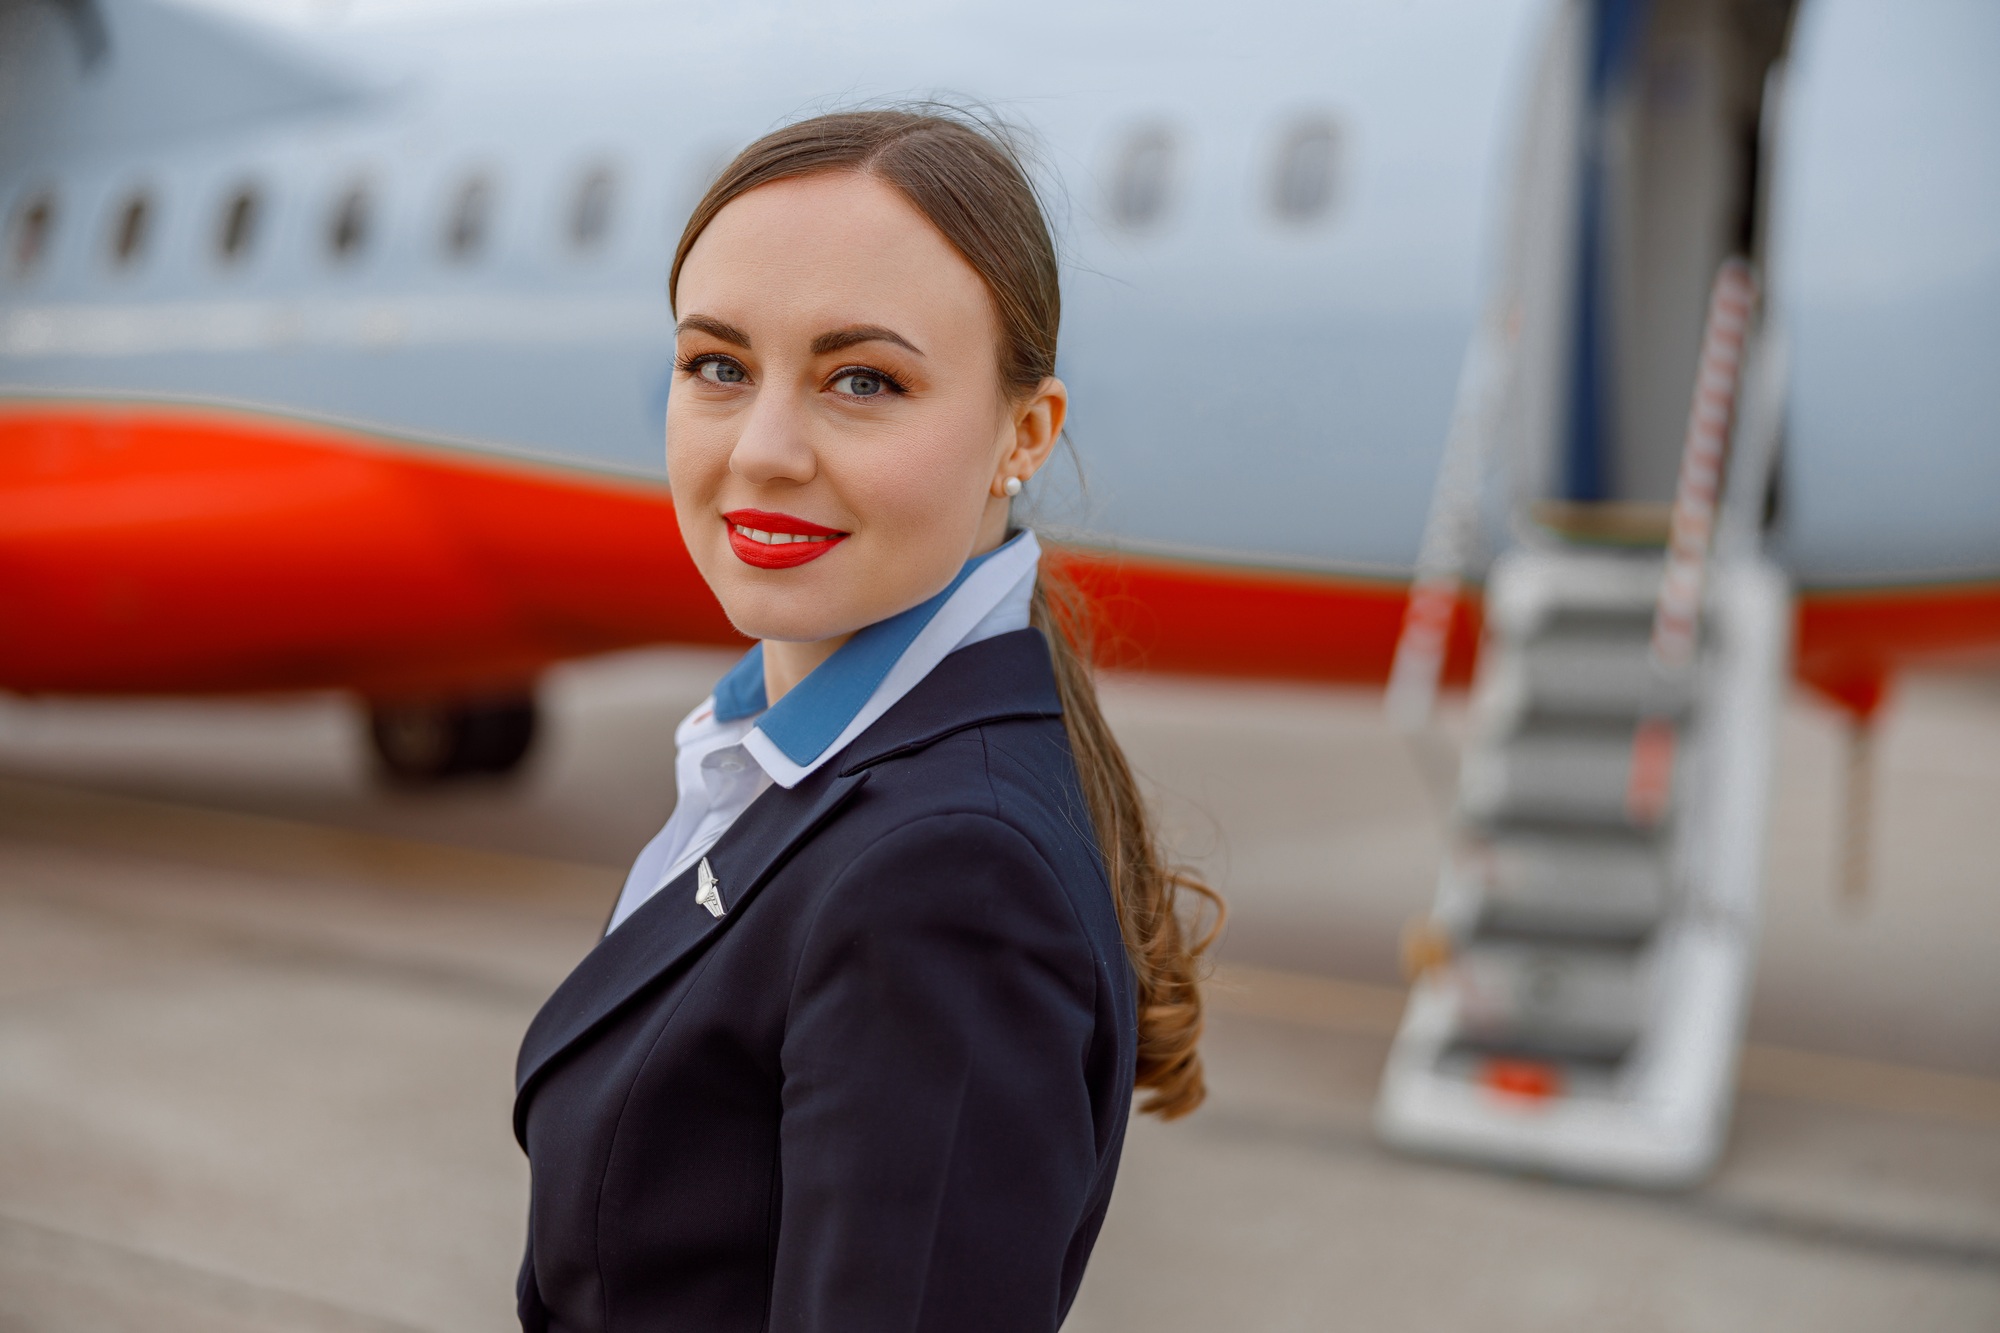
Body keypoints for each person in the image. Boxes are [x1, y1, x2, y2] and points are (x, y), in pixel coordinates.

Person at [512, 107, 1221, 1333]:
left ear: (1023, 433)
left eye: (862, 381)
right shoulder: (791, 756)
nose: (764, 451)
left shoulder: (945, 878)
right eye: (718, 366)